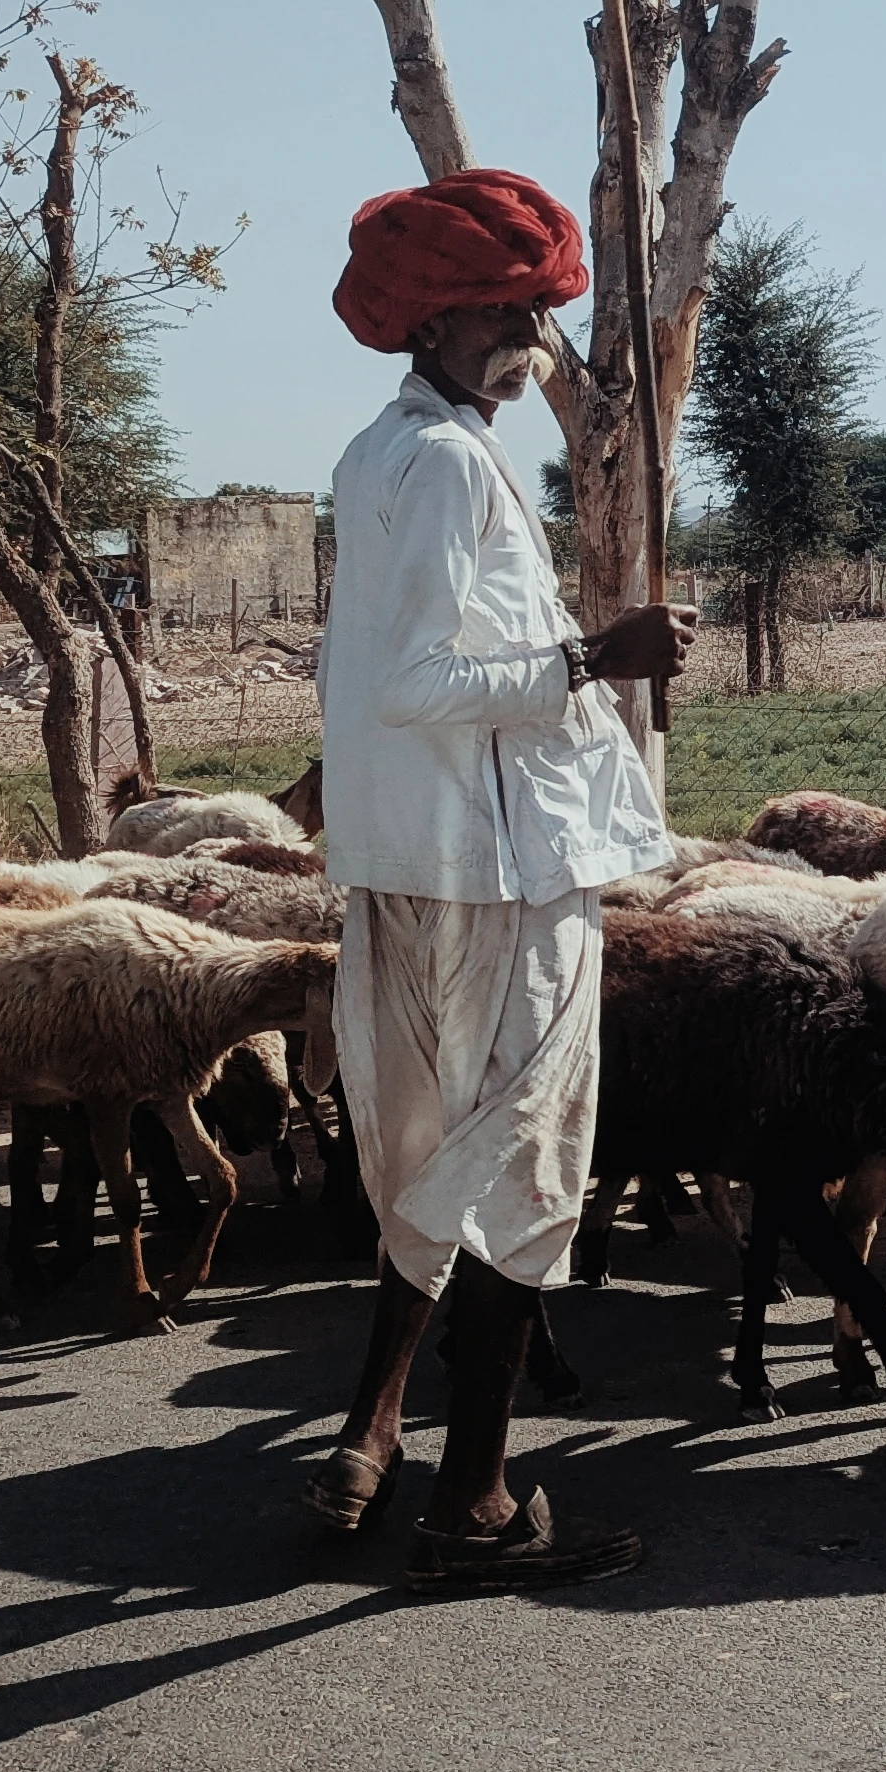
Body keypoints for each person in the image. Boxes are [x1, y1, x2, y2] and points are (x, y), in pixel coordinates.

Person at [300, 166, 694, 1590]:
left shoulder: (373, 454)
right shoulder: (455, 465)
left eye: (537, 309)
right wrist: (603, 653)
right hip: (497, 877)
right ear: (434, 323)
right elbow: (418, 684)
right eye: (507, 311)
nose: (531, 338)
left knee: (430, 1155)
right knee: (529, 1167)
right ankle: (472, 1496)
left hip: (411, 866)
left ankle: (370, 1432)